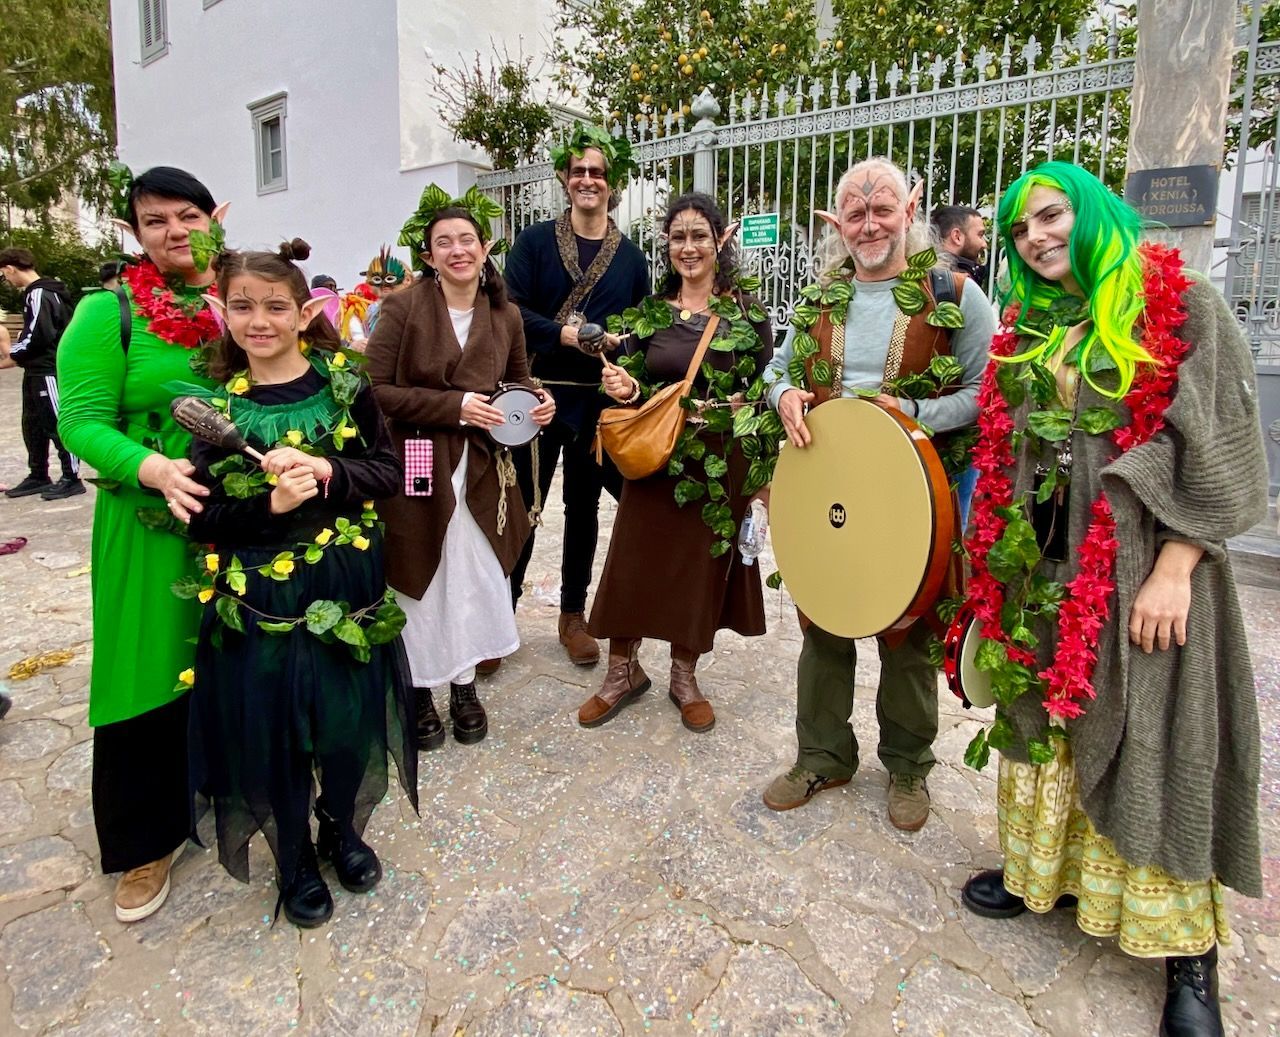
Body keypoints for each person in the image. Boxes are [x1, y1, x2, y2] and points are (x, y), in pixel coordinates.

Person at [958, 161, 1266, 1037]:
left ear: (1089, 211)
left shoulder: (1181, 302)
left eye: (1050, 216)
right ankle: (1043, 873)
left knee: (1161, 735)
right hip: (1044, 566)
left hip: (1141, 574)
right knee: (1045, 717)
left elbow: (1224, 441)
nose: (1036, 238)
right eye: (1018, 230)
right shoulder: (1027, 323)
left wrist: (1176, 565)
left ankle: (1188, 957)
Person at [183, 240, 417, 928]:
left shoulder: (344, 386)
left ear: (304, 311)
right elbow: (205, 521)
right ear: (220, 312)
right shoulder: (216, 407)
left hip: (348, 586)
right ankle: (291, 854)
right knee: (279, 730)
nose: (260, 319)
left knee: (345, 720)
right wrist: (270, 507)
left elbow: (389, 470)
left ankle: (339, 827)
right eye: (243, 306)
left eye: (275, 305)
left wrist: (323, 472)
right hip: (263, 599)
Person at [762, 158, 995, 831]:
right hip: (828, 487)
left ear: (911, 208)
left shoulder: (954, 293)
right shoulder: (818, 298)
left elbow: (985, 394)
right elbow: (776, 370)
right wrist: (783, 396)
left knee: (910, 629)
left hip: (914, 496)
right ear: (838, 221)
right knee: (825, 623)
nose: (870, 223)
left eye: (883, 208)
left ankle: (909, 765)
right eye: (856, 211)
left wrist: (915, 413)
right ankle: (823, 754)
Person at [56, 166, 226, 922]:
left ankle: (227, 787)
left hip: (235, 511)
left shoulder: (234, 299)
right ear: (135, 233)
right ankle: (143, 840)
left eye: (189, 215)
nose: (176, 231)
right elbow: (82, 420)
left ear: (214, 219)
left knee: (230, 649)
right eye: (155, 220)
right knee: (144, 667)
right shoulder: (107, 311)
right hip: (147, 518)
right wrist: (151, 468)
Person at [367, 188, 553, 752]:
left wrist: (538, 402)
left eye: (465, 240)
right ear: (428, 255)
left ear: (484, 247)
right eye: (442, 242)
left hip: (482, 465)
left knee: (475, 573)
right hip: (420, 455)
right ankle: (421, 689)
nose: (456, 250)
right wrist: (452, 406)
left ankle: (465, 686)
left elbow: (517, 380)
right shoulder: (402, 309)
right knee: (423, 566)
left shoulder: (506, 314)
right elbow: (375, 390)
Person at [581, 192, 772, 733]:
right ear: (667, 245)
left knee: (698, 570)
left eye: (699, 236)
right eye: (678, 237)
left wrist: (761, 483)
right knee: (632, 560)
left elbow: (762, 393)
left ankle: (683, 676)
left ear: (719, 242)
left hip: (717, 462)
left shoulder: (747, 317)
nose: (688, 247)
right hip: (657, 459)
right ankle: (622, 670)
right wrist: (625, 385)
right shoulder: (648, 316)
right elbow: (636, 384)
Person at [502, 123, 651, 670]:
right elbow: (509, 310)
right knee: (521, 505)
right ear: (564, 179)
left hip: (595, 403)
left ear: (613, 184)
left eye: (598, 173)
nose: (588, 181)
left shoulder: (632, 260)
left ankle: (572, 616)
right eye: (579, 172)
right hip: (537, 394)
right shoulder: (535, 243)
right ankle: (501, 614)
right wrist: (564, 333)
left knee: (584, 510)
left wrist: (620, 345)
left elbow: (642, 331)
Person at [0, 246, 82, 500]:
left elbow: (38, 334)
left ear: (10, 269)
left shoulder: (40, 293)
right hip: (35, 369)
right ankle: (38, 474)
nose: (6, 280)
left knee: (57, 422)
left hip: (48, 369)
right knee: (33, 424)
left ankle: (71, 477)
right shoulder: (39, 293)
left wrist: (12, 356)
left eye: (4, 274)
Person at [930, 204, 989, 284]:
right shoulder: (958, 282)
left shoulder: (927, 275)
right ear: (957, 236)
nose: (984, 244)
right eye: (980, 235)